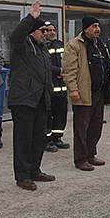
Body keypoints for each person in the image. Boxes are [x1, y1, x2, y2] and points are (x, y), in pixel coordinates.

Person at [8, 0, 55, 190]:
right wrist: (30, 18)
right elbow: (15, 36)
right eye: (42, 31)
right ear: (32, 31)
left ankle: (34, 170)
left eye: (46, 31)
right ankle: (22, 176)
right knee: (23, 140)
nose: (45, 34)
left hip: (41, 100)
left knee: (38, 139)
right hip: (24, 100)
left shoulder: (43, 50)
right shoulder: (22, 46)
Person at [62, 15, 110, 171]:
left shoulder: (100, 45)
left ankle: (91, 154)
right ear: (85, 29)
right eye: (93, 26)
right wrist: (73, 89)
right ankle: (80, 159)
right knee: (81, 128)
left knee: (95, 127)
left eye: (98, 26)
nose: (97, 29)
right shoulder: (74, 46)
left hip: (99, 93)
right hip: (83, 93)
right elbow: (69, 70)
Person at [44, 21, 70, 152]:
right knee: (48, 116)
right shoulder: (41, 46)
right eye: (48, 30)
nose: (51, 32)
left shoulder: (59, 44)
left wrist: (64, 70)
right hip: (49, 89)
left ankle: (57, 138)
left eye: (53, 30)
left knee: (61, 114)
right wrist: (57, 71)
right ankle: (46, 141)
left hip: (62, 89)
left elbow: (66, 60)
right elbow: (43, 65)